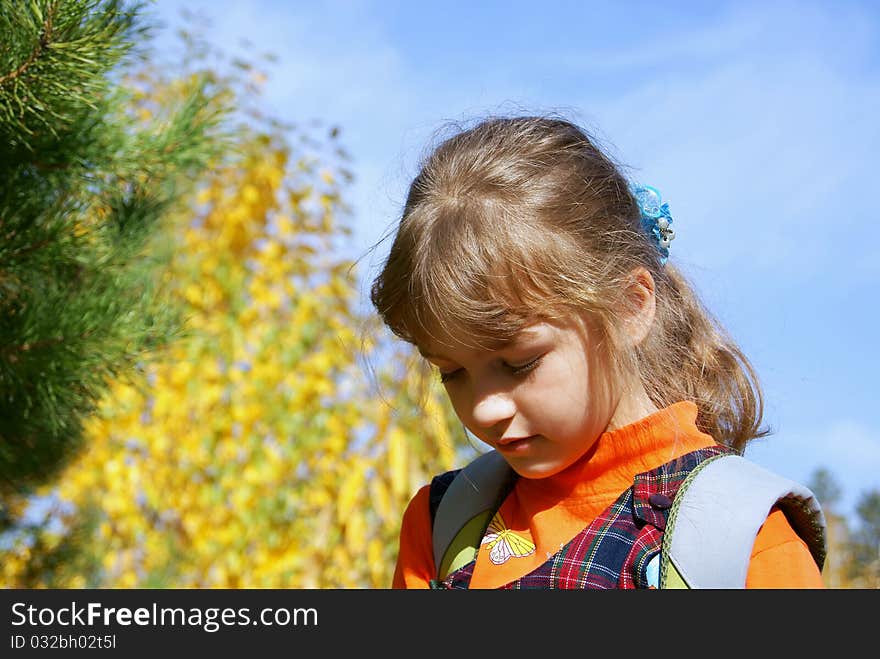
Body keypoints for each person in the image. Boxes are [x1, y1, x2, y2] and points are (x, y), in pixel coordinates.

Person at [369, 115, 825, 589]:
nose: (485, 407)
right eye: (452, 372)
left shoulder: (740, 540)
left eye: (520, 363)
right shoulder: (445, 527)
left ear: (631, 307)